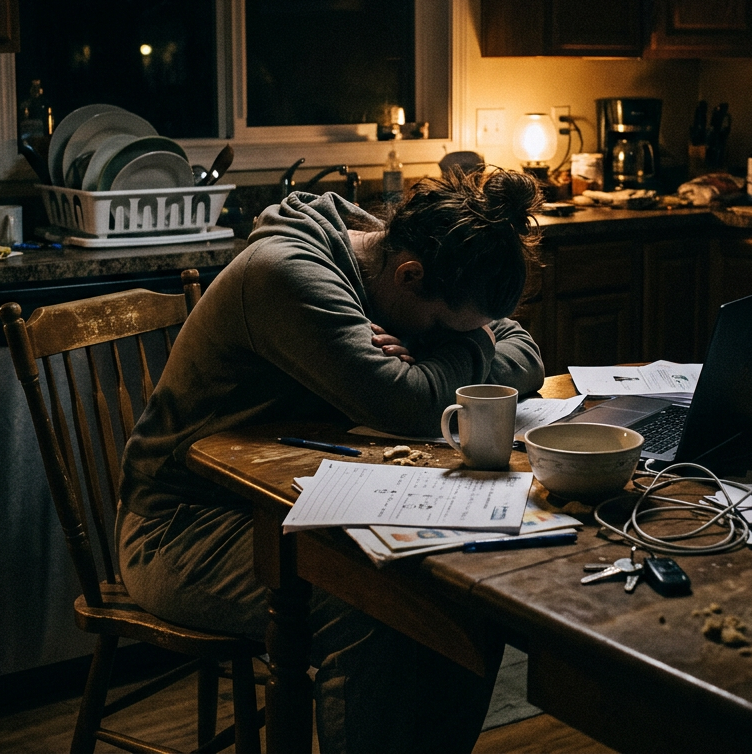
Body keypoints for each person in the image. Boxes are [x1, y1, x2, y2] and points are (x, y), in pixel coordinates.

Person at [116, 166, 544, 753]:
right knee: (374, 606)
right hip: (182, 525)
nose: (455, 338)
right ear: (410, 275)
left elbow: (527, 354)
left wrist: (430, 345)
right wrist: (469, 347)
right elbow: (410, 403)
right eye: (444, 326)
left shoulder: (400, 255)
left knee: (466, 598)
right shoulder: (287, 273)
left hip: (292, 498)